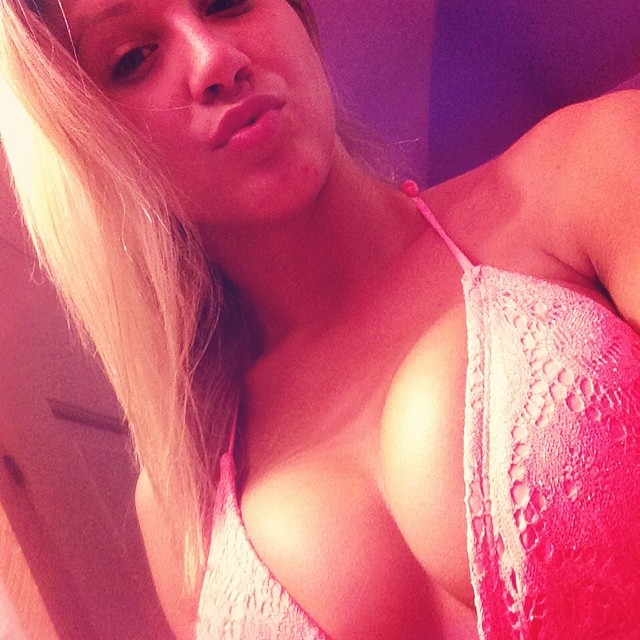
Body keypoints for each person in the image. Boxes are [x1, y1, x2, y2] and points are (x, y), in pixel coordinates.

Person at [1, 1, 640, 639]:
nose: (215, 60)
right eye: (133, 58)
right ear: (90, 144)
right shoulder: (180, 505)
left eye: (227, 1)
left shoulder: (590, 170)